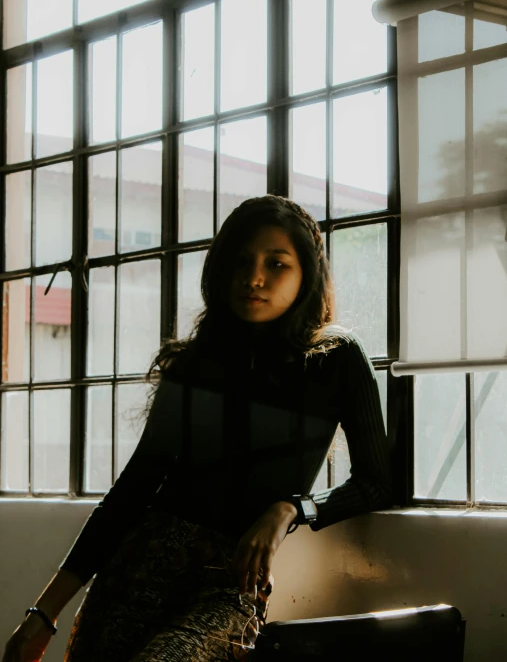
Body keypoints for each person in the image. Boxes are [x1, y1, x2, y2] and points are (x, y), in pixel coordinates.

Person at [2, 195, 392, 662]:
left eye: (277, 263)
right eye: (242, 261)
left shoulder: (336, 358)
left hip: (228, 584)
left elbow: (376, 482)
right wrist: (42, 615)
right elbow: (130, 494)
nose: (254, 277)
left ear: (306, 274)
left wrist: (290, 509)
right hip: (136, 570)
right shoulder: (193, 366)